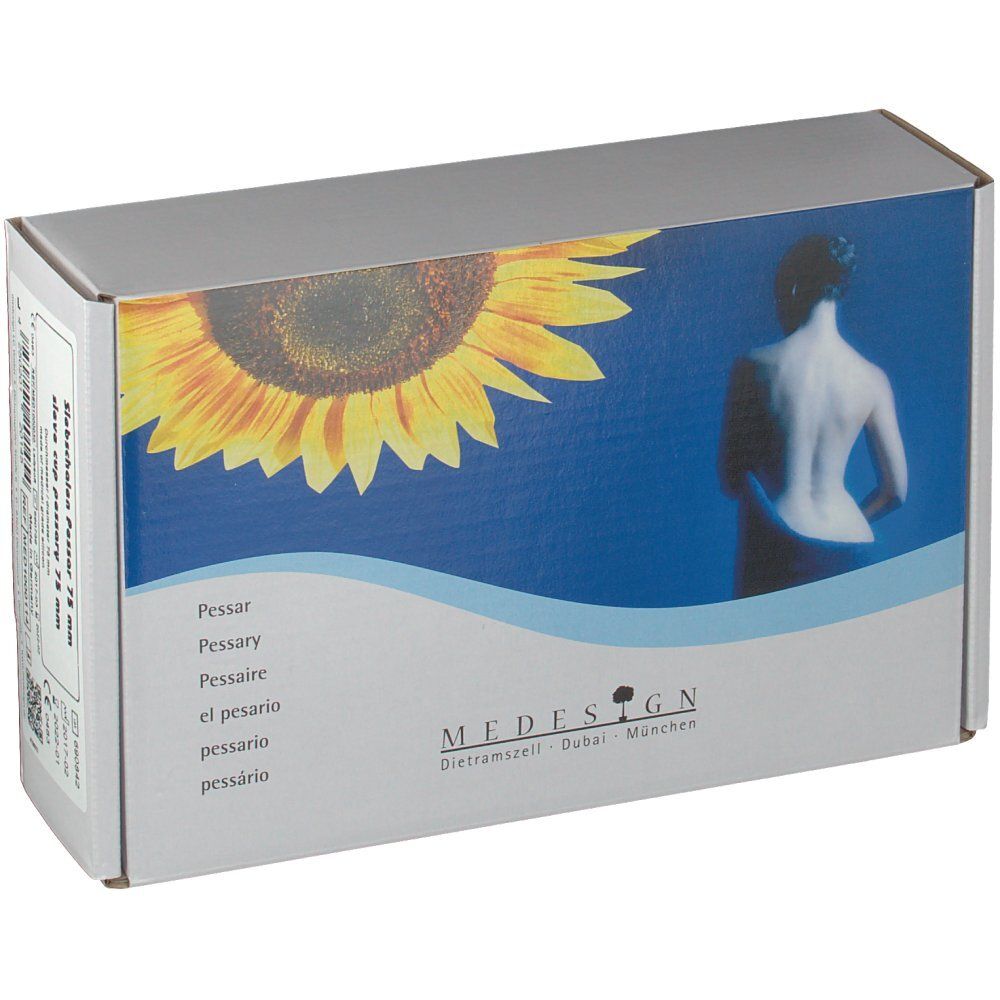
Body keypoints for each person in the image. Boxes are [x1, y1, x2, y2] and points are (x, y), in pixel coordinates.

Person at [719, 236, 907, 597]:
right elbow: (896, 491)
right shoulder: (872, 378)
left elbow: (731, 478)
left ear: (791, 288)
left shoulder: (753, 366)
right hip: (855, 544)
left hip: (783, 542)